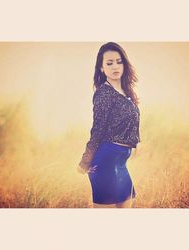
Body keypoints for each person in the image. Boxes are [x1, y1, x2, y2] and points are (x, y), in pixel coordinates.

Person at [77, 42, 141, 208]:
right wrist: (85, 162)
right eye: (109, 63)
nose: (115, 66)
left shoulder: (127, 92)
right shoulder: (104, 93)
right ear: (101, 67)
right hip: (105, 161)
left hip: (121, 162)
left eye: (119, 61)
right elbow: (97, 130)